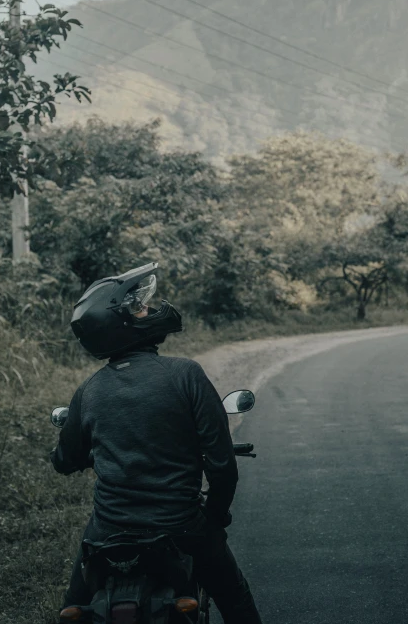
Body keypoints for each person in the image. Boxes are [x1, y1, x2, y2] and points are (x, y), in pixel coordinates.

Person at [50, 262, 262, 624]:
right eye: (137, 307)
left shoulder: (88, 391)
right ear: (121, 324)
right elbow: (223, 466)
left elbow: (65, 459)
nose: (147, 309)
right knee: (235, 598)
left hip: (108, 531)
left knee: (72, 610)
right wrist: (215, 516)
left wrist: (71, 454)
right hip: (180, 526)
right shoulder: (186, 374)